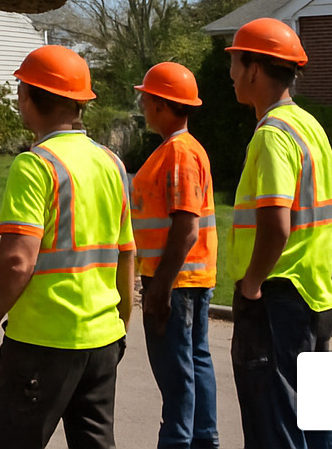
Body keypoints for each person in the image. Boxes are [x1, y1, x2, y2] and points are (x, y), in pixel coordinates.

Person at [0, 45, 135, 449]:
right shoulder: (112, 162)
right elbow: (126, 253)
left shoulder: (35, 165)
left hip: (42, 344)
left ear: (27, 97)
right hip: (102, 340)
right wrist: (120, 327)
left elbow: (16, 262)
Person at [226, 18, 332, 449]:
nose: (230, 75)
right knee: (317, 421)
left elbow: (276, 223)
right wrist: (316, 255)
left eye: (234, 64)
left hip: (277, 300)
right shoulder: (309, 125)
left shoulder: (272, 135)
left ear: (254, 70)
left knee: (274, 424)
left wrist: (253, 283)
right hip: (316, 294)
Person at [131, 62, 219, 449]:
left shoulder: (180, 153)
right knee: (194, 364)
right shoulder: (178, 149)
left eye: (146, 98)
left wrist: (160, 289)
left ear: (162, 104)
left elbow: (186, 228)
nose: (142, 104)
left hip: (176, 281)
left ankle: (178, 442)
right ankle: (202, 440)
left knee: (177, 372)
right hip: (185, 279)